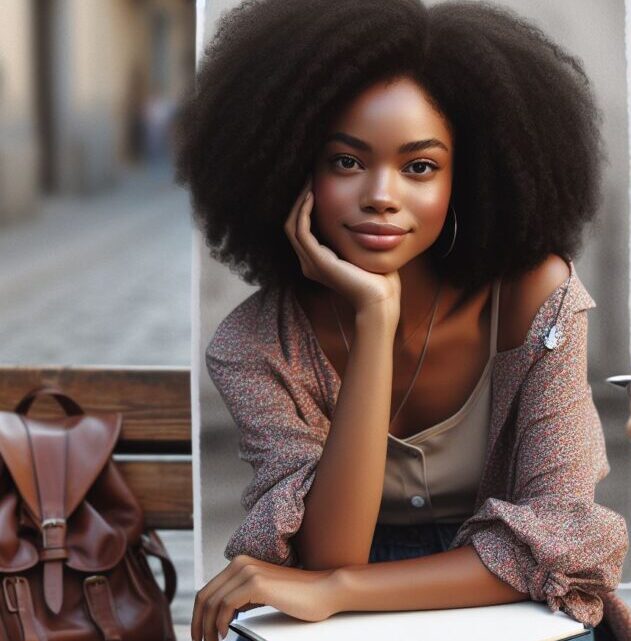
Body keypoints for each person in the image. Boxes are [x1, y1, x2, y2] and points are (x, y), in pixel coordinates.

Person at [173, 1, 631, 640]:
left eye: (419, 166)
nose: (381, 195)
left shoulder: (533, 298)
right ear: (290, 170)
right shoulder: (257, 346)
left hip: (511, 617)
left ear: (464, 180)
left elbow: (566, 535)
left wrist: (336, 591)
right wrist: (374, 319)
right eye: (346, 161)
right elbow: (331, 552)